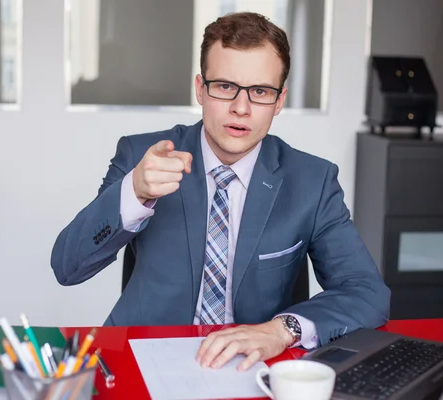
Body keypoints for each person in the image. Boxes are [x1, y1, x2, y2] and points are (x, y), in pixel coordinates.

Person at [51, 11, 390, 372]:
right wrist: (133, 192)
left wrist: (282, 330)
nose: (241, 108)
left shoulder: (312, 181)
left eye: (260, 91)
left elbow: (367, 293)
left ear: (279, 100)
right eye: (225, 86)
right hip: (145, 360)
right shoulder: (144, 157)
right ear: (201, 88)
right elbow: (67, 268)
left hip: (253, 367)